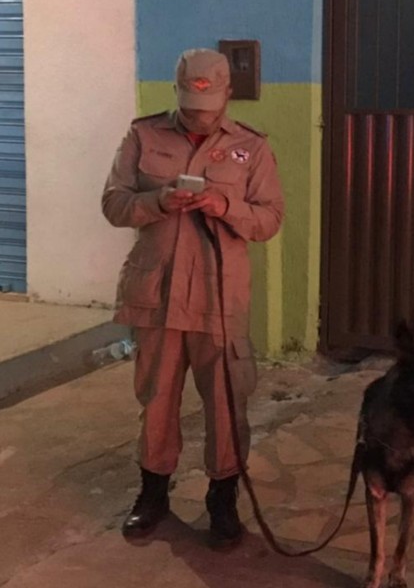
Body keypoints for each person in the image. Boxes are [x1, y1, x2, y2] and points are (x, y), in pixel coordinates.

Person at [101, 48, 284, 551]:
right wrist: (157, 202)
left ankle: (222, 501)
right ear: (177, 91)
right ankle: (153, 495)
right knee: (157, 399)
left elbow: (269, 219)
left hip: (219, 298)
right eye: (188, 105)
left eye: (207, 107)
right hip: (156, 293)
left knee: (226, 403)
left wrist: (224, 205)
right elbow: (113, 203)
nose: (197, 116)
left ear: (227, 94)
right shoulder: (144, 135)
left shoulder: (252, 148)